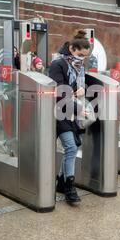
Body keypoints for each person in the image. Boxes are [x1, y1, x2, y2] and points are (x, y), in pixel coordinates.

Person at [48, 30, 91, 204]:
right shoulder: (58, 64)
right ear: (71, 48)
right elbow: (59, 91)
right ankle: (69, 187)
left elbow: (77, 86)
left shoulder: (78, 66)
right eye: (80, 54)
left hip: (70, 112)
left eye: (85, 56)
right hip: (58, 112)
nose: (82, 59)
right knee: (71, 148)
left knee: (71, 148)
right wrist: (76, 104)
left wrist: (81, 93)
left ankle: (61, 180)